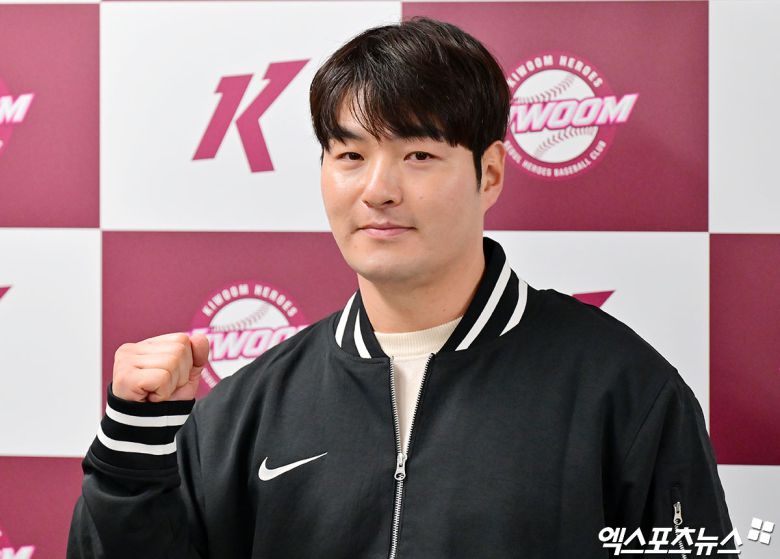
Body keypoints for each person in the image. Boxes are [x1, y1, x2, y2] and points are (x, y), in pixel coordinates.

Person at [68, 17, 734, 558]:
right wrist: (133, 454)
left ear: (490, 173)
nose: (378, 189)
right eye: (351, 155)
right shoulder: (246, 410)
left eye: (418, 155)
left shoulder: (623, 389)